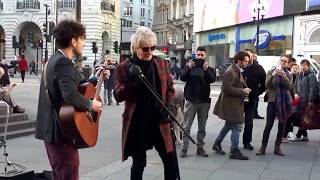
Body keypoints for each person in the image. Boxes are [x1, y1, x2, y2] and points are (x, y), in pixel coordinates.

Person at [35, 20, 108, 180]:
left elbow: (72, 86)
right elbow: (70, 95)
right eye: (83, 38)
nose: (83, 42)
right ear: (73, 40)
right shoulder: (63, 63)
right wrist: (91, 105)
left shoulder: (53, 60)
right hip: (61, 134)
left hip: (55, 132)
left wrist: (95, 78)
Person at [114, 26, 179, 180]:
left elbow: (170, 87)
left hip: (160, 120)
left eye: (152, 47)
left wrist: (167, 106)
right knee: (139, 163)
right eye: (145, 48)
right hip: (138, 123)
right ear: (135, 48)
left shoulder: (161, 63)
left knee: (170, 161)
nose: (149, 51)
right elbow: (118, 95)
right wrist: (130, 79)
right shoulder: (125, 67)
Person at [212, 51, 250, 160]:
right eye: (245, 61)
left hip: (234, 103)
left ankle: (217, 144)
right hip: (231, 104)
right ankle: (234, 150)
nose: (247, 63)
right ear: (239, 60)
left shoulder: (237, 70)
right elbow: (225, 88)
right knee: (238, 125)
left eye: (248, 61)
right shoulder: (231, 71)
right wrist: (243, 90)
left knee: (229, 125)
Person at [179, 46, 216, 158]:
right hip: (191, 100)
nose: (199, 57)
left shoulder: (209, 68)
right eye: (198, 55)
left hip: (204, 100)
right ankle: (184, 148)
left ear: (205, 55)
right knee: (187, 126)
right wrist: (188, 68)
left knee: (202, 126)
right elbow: (182, 78)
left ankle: (200, 147)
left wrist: (206, 70)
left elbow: (212, 79)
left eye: (202, 55)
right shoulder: (188, 66)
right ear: (195, 55)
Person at [256, 55, 293, 156]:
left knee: (282, 125)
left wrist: (284, 76)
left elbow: (289, 86)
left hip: (284, 102)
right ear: (279, 61)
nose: (283, 62)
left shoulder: (289, 74)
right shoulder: (271, 71)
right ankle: (263, 147)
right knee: (269, 125)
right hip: (273, 101)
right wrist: (273, 74)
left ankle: (277, 147)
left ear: (288, 63)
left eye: (285, 61)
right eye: (282, 60)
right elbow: (267, 85)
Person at [242, 50, 266, 151]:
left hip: (252, 99)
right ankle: (229, 141)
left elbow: (265, 83)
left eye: (249, 55)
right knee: (233, 122)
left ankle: (247, 142)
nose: (247, 57)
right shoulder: (240, 67)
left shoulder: (258, 68)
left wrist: (257, 92)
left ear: (253, 56)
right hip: (238, 98)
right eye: (245, 55)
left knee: (249, 122)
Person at [291, 59, 318, 142]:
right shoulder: (299, 75)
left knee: (303, 118)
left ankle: (299, 135)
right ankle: (305, 136)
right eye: (302, 65)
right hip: (298, 101)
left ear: (308, 66)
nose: (303, 67)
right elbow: (294, 85)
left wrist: (310, 101)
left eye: (304, 65)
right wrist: (295, 93)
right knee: (300, 118)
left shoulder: (311, 76)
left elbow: (313, 89)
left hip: (306, 101)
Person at [283, 63, 300, 143]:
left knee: (295, 117)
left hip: (297, 99)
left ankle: (300, 134)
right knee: (289, 117)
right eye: (293, 68)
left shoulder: (300, 77)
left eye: (296, 68)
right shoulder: (289, 76)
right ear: (291, 69)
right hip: (289, 99)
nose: (295, 69)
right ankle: (286, 134)